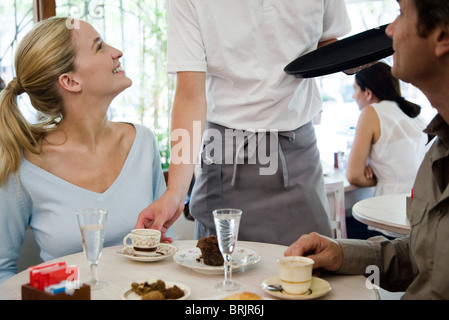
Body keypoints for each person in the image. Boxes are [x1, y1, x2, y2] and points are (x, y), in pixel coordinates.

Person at [135, 0, 352, 246]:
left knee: (313, 270)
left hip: (297, 155)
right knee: (219, 273)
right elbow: (189, 94)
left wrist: (354, 56)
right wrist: (175, 191)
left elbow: (327, 40)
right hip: (226, 158)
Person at [286, 0, 449, 299]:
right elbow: (420, 259)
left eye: (401, 14)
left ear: (442, 36)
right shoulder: (436, 150)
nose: (389, 29)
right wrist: (341, 253)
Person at [0, 17, 167, 284]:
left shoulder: (143, 143)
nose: (117, 52)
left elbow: (163, 248)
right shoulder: (23, 165)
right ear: (70, 81)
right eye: (99, 47)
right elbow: (1, 271)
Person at [346, 62, 428, 196]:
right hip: (422, 197)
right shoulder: (414, 114)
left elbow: (353, 175)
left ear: (368, 92)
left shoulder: (371, 113)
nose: (353, 96)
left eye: (355, 89)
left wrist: (380, 177)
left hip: (391, 201)